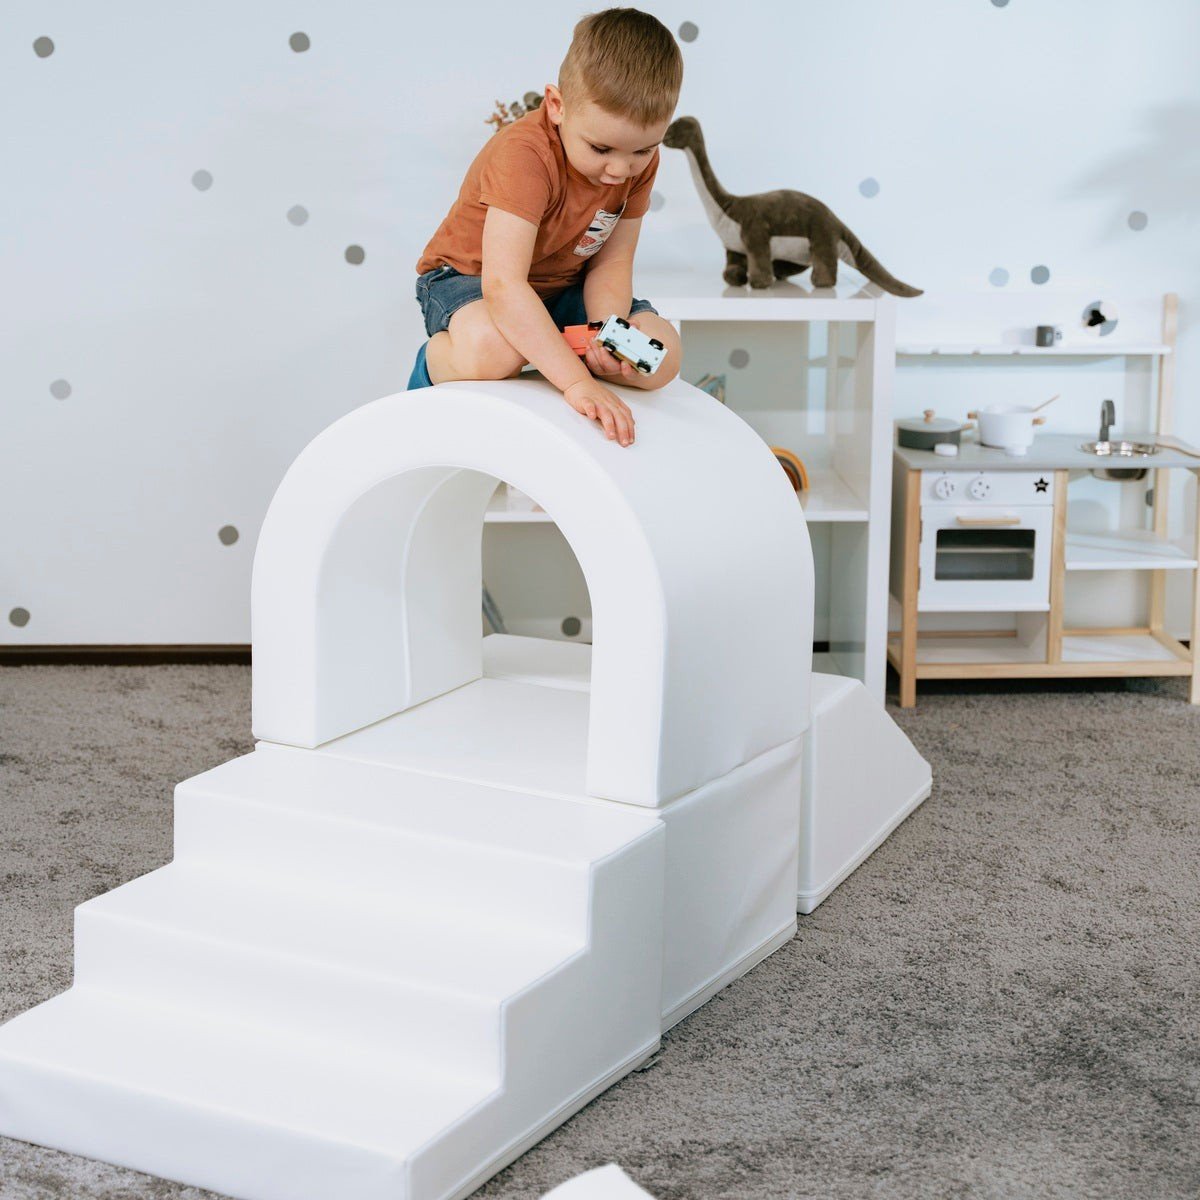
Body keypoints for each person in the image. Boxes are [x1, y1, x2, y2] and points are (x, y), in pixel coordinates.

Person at [408, 7, 683, 448]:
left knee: (658, 356)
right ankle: (439, 360)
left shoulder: (635, 164)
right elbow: (504, 285)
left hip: (561, 291)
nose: (619, 169)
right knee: (494, 350)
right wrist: (577, 383)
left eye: (642, 151)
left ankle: (549, 348)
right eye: (600, 147)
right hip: (473, 282)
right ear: (557, 106)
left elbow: (611, 266)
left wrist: (605, 338)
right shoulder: (525, 155)